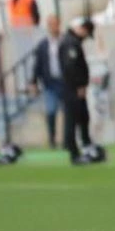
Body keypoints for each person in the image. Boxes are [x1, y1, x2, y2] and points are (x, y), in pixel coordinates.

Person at [59, 18, 95, 165]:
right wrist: (79, 85)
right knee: (72, 120)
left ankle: (86, 147)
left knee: (82, 117)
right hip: (72, 89)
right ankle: (74, 153)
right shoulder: (71, 43)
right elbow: (71, 67)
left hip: (72, 88)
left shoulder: (71, 41)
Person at [30, 15, 66, 149]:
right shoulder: (43, 45)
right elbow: (37, 64)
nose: (53, 27)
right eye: (50, 24)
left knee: (67, 112)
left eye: (55, 24)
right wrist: (34, 81)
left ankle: (68, 139)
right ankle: (52, 139)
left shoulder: (65, 41)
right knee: (51, 111)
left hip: (65, 82)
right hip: (50, 83)